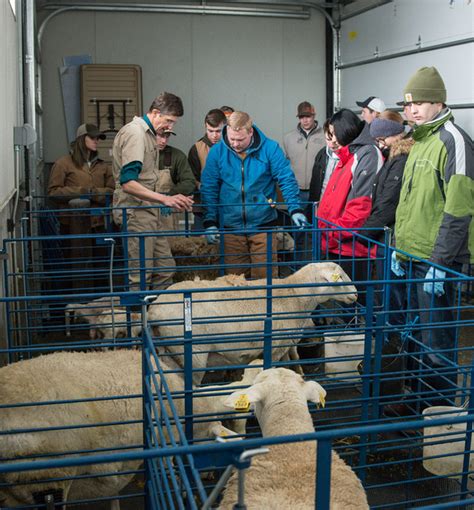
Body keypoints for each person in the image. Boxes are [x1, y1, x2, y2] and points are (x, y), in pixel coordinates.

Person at [390, 66, 473, 408]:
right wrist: (398, 247)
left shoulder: (452, 140)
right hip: (411, 256)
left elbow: (458, 208)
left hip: (436, 264)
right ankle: (414, 403)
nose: (412, 111)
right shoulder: (418, 141)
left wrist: (440, 264)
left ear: (439, 102)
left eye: (420, 103)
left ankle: (435, 415)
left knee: (437, 343)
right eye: (408, 105)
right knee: (412, 336)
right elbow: (409, 203)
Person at [201, 111, 306, 279]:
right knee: (235, 282)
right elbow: (209, 186)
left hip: (263, 226)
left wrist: (295, 208)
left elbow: (286, 179)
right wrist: (210, 220)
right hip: (231, 228)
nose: (235, 144)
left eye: (240, 139)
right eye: (231, 138)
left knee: (265, 280)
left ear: (250, 132)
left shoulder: (270, 149)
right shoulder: (218, 152)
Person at [112, 92, 193, 291]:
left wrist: (169, 198)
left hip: (150, 211)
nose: (170, 127)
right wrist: (165, 199)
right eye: (168, 121)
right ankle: (139, 319)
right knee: (140, 275)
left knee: (165, 269)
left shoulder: (148, 135)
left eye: (174, 123)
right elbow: (128, 182)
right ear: (155, 113)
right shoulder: (136, 134)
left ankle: (159, 316)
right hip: (137, 213)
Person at [317, 108, 384, 303]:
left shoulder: (367, 154)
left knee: (352, 296)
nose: (333, 140)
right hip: (336, 240)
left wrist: (334, 231)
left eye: (335, 133)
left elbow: (361, 207)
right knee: (339, 294)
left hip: (351, 245)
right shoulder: (347, 156)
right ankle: (345, 328)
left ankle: (355, 330)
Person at [48, 123, 115, 290]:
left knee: (101, 269)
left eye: (98, 138)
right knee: (75, 269)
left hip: (98, 224)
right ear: (80, 139)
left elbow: (112, 191)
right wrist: (82, 192)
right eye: (92, 137)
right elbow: (53, 192)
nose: (96, 141)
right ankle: (76, 308)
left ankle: (100, 306)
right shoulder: (63, 164)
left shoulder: (103, 165)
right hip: (72, 227)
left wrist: (94, 194)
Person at [188, 108, 227, 231]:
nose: (214, 135)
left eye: (218, 131)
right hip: (203, 207)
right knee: (203, 246)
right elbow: (191, 178)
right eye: (210, 131)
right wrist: (202, 186)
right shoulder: (196, 149)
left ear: (226, 127)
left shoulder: (234, 146)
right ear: (205, 127)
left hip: (229, 207)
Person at [283, 101, 325, 205]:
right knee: (297, 218)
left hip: (318, 189)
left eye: (308, 116)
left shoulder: (325, 136)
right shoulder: (288, 138)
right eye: (301, 117)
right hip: (296, 189)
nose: (305, 120)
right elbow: (284, 164)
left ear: (314, 115)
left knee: (316, 219)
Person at [156, 128, 196, 230]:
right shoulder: (140, 154)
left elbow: (189, 182)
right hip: (143, 209)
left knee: (168, 244)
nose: (164, 141)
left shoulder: (176, 156)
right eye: (160, 135)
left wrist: (170, 195)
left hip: (167, 213)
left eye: (167, 136)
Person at [308, 119, 341, 203]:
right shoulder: (321, 154)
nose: (331, 144)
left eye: (333, 140)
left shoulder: (351, 156)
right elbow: (315, 184)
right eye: (327, 139)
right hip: (321, 206)